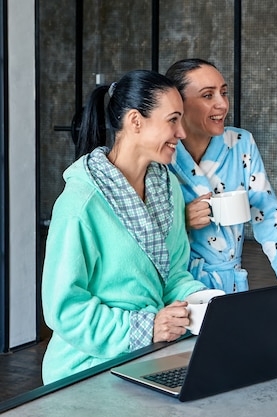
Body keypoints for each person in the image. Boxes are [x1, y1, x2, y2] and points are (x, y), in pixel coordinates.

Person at [41, 70, 208, 384]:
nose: (182, 133)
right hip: (84, 370)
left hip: (148, 357)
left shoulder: (167, 187)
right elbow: (65, 309)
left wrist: (208, 302)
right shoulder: (81, 202)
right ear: (136, 121)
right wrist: (148, 327)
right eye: (173, 119)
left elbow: (172, 274)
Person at [165, 58, 277, 293]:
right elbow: (139, 234)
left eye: (224, 93)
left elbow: (268, 217)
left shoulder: (240, 143)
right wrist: (180, 222)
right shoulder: (162, 152)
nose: (222, 104)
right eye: (207, 95)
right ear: (178, 104)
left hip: (231, 288)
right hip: (177, 292)